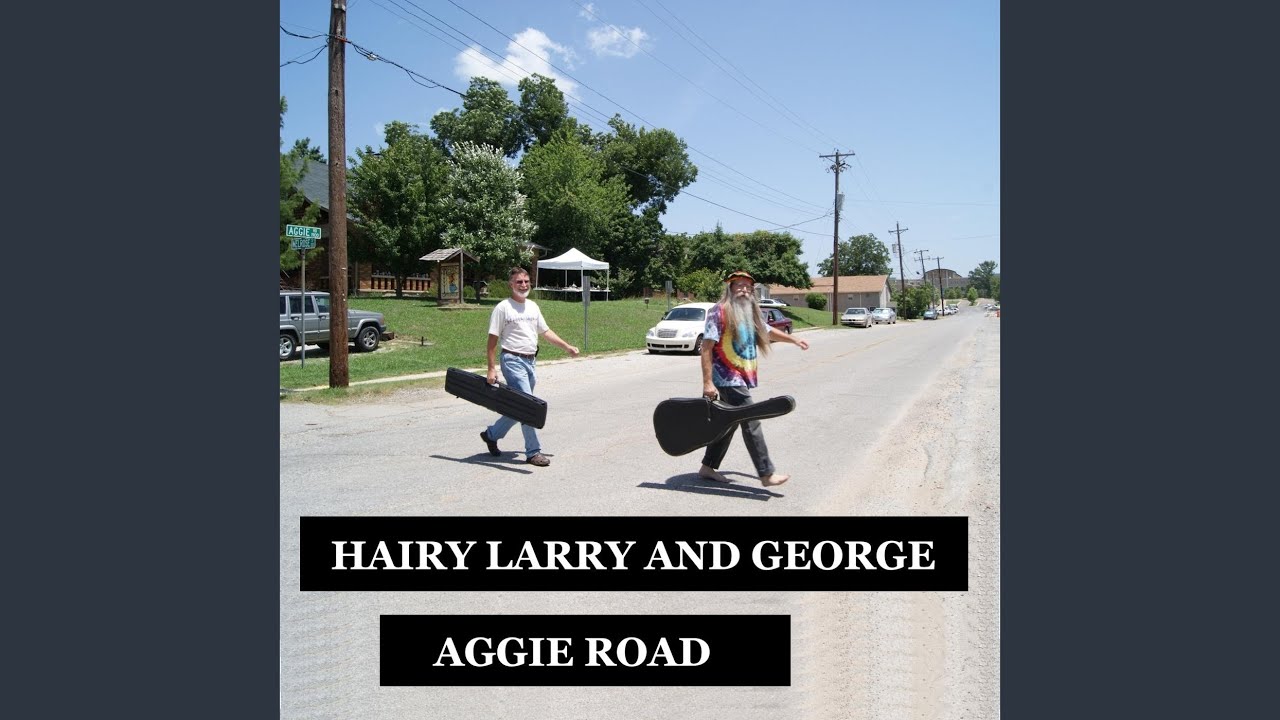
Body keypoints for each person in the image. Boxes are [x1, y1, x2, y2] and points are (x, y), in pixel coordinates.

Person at [698, 270, 809, 487]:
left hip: (740, 376)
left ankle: (707, 467)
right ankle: (766, 473)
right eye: (739, 285)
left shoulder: (749, 312)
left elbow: (768, 332)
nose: (744, 289)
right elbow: (707, 347)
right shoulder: (718, 312)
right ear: (730, 288)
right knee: (751, 419)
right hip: (726, 377)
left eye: (748, 286)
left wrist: (794, 339)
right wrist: (707, 382)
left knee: (728, 422)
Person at [479, 267, 580, 467]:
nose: (523, 285)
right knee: (528, 405)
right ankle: (533, 452)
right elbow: (491, 341)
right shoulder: (503, 308)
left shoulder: (533, 307)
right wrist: (491, 368)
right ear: (511, 284)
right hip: (512, 360)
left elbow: (546, 332)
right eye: (519, 282)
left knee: (519, 406)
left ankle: (492, 434)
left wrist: (566, 347)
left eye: (526, 281)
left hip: (530, 362)